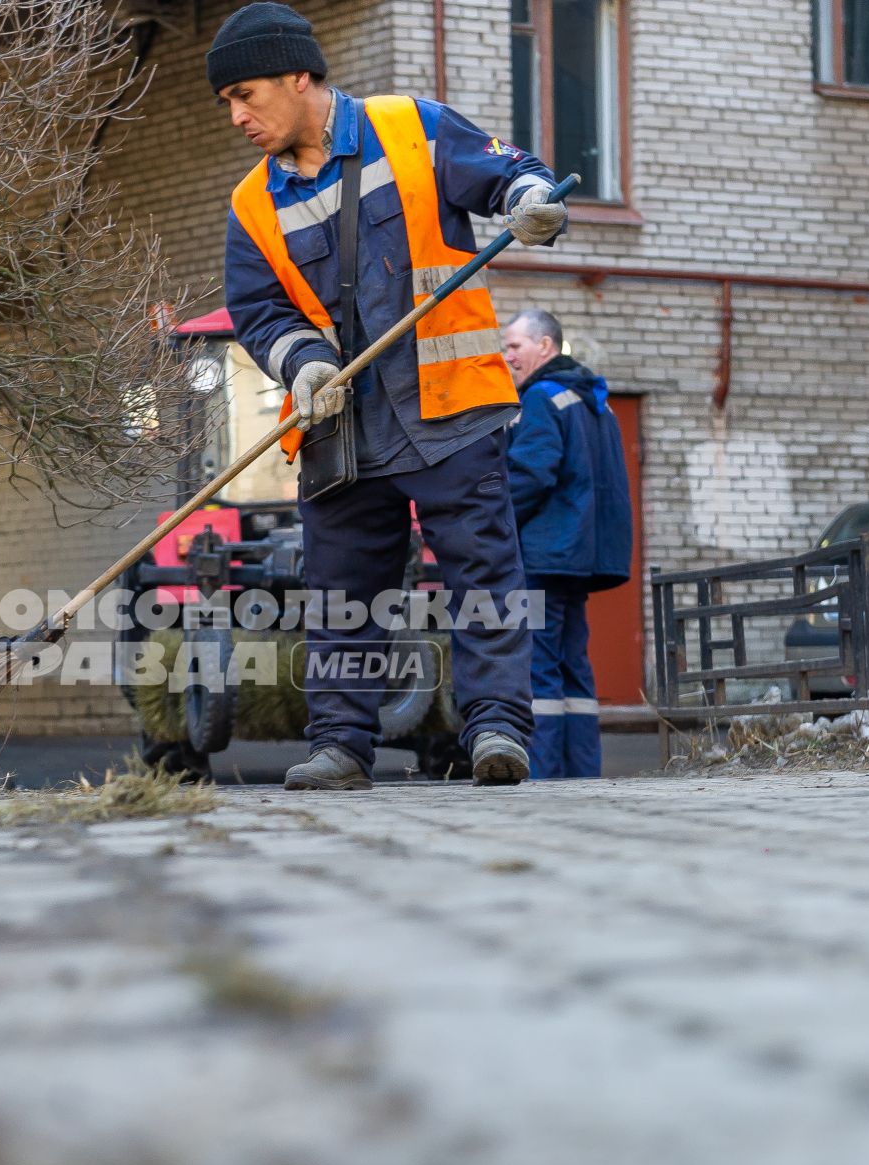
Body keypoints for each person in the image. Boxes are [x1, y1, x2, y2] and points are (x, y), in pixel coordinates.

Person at [213, 1, 567, 791]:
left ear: (299, 75)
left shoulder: (411, 128)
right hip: (343, 430)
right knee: (340, 593)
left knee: (482, 576)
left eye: (248, 95)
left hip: (449, 410)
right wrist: (302, 365)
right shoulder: (250, 205)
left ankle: (497, 734)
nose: (237, 116)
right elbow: (259, 311)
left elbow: (513, 171)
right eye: (228, 103)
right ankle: (341, 746)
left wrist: (530, 200)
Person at [499, 309, 634, 779]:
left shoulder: (540, 399)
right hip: (580, 557)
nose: (508, 354)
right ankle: (582, 772)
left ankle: (544, 774)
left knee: (541, 666)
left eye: (515, 345)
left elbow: (530, 475)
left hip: (545, 554)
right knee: (574, 665)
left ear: (546, 346)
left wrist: (497, 529)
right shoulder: (595, 402)